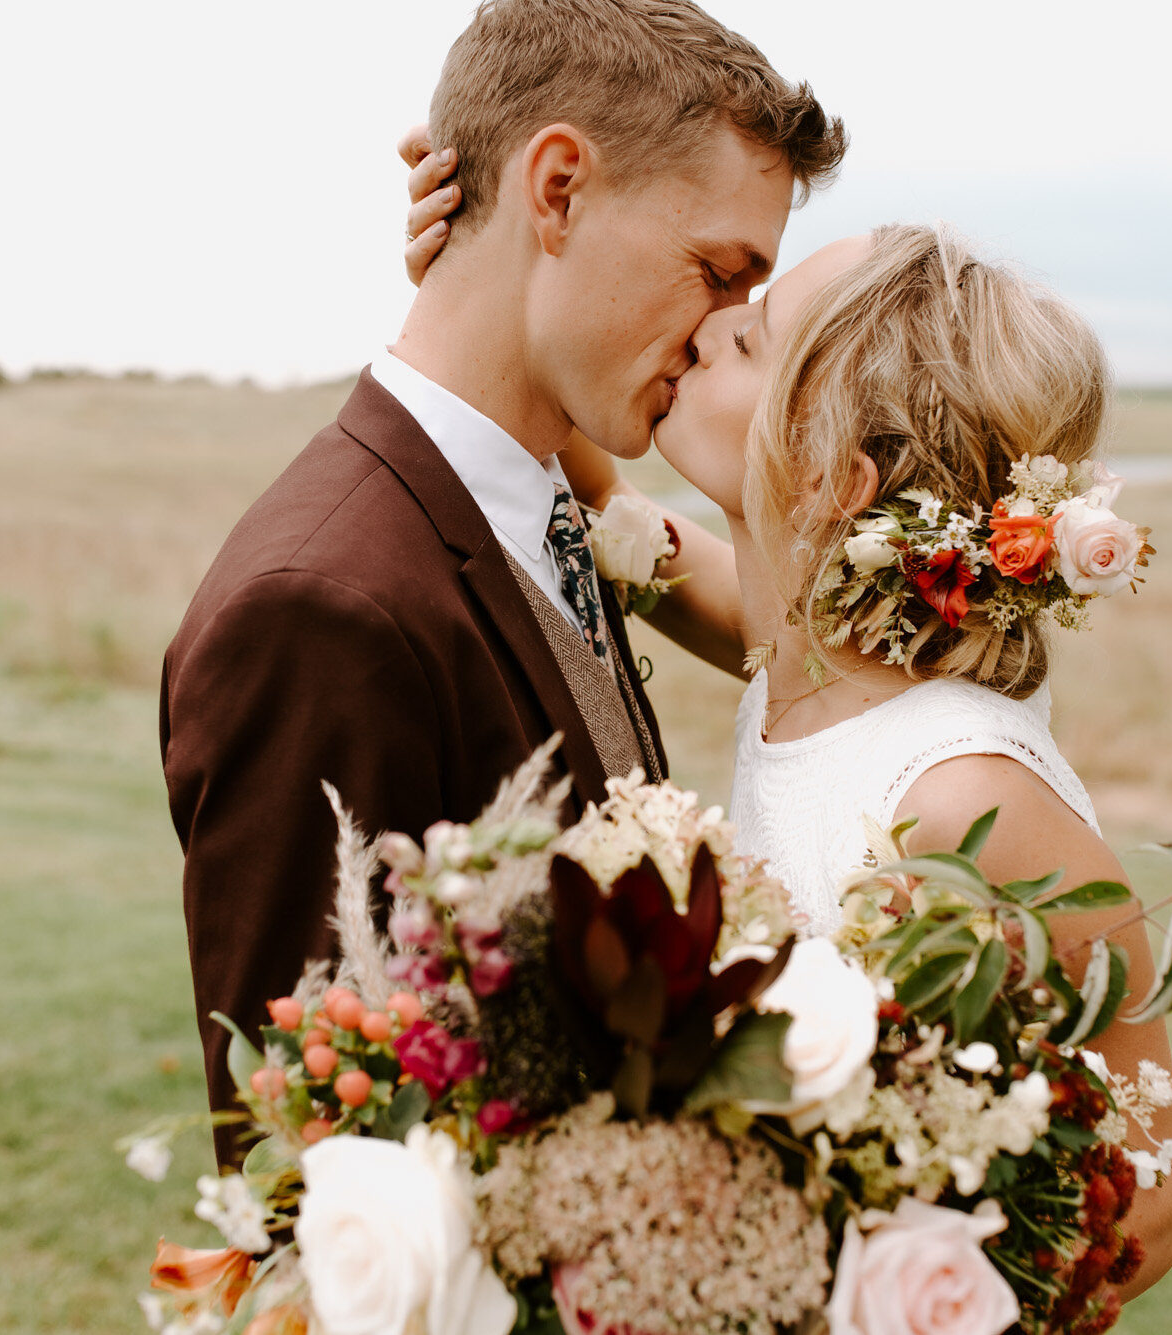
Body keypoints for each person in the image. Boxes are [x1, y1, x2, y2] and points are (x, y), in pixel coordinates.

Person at [403, 164, 1172, 1293]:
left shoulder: (963, 800)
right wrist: (488, 276)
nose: (711, 325)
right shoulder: (807, 661)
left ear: (827, 477)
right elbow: (617, 519)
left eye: (749, 344)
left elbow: (1145, 1211)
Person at [159, 0, 844, 1168]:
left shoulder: (542, 499)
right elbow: (308, 1166)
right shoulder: (318, 610)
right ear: (560, 189)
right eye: (715, 272)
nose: (724, 335)